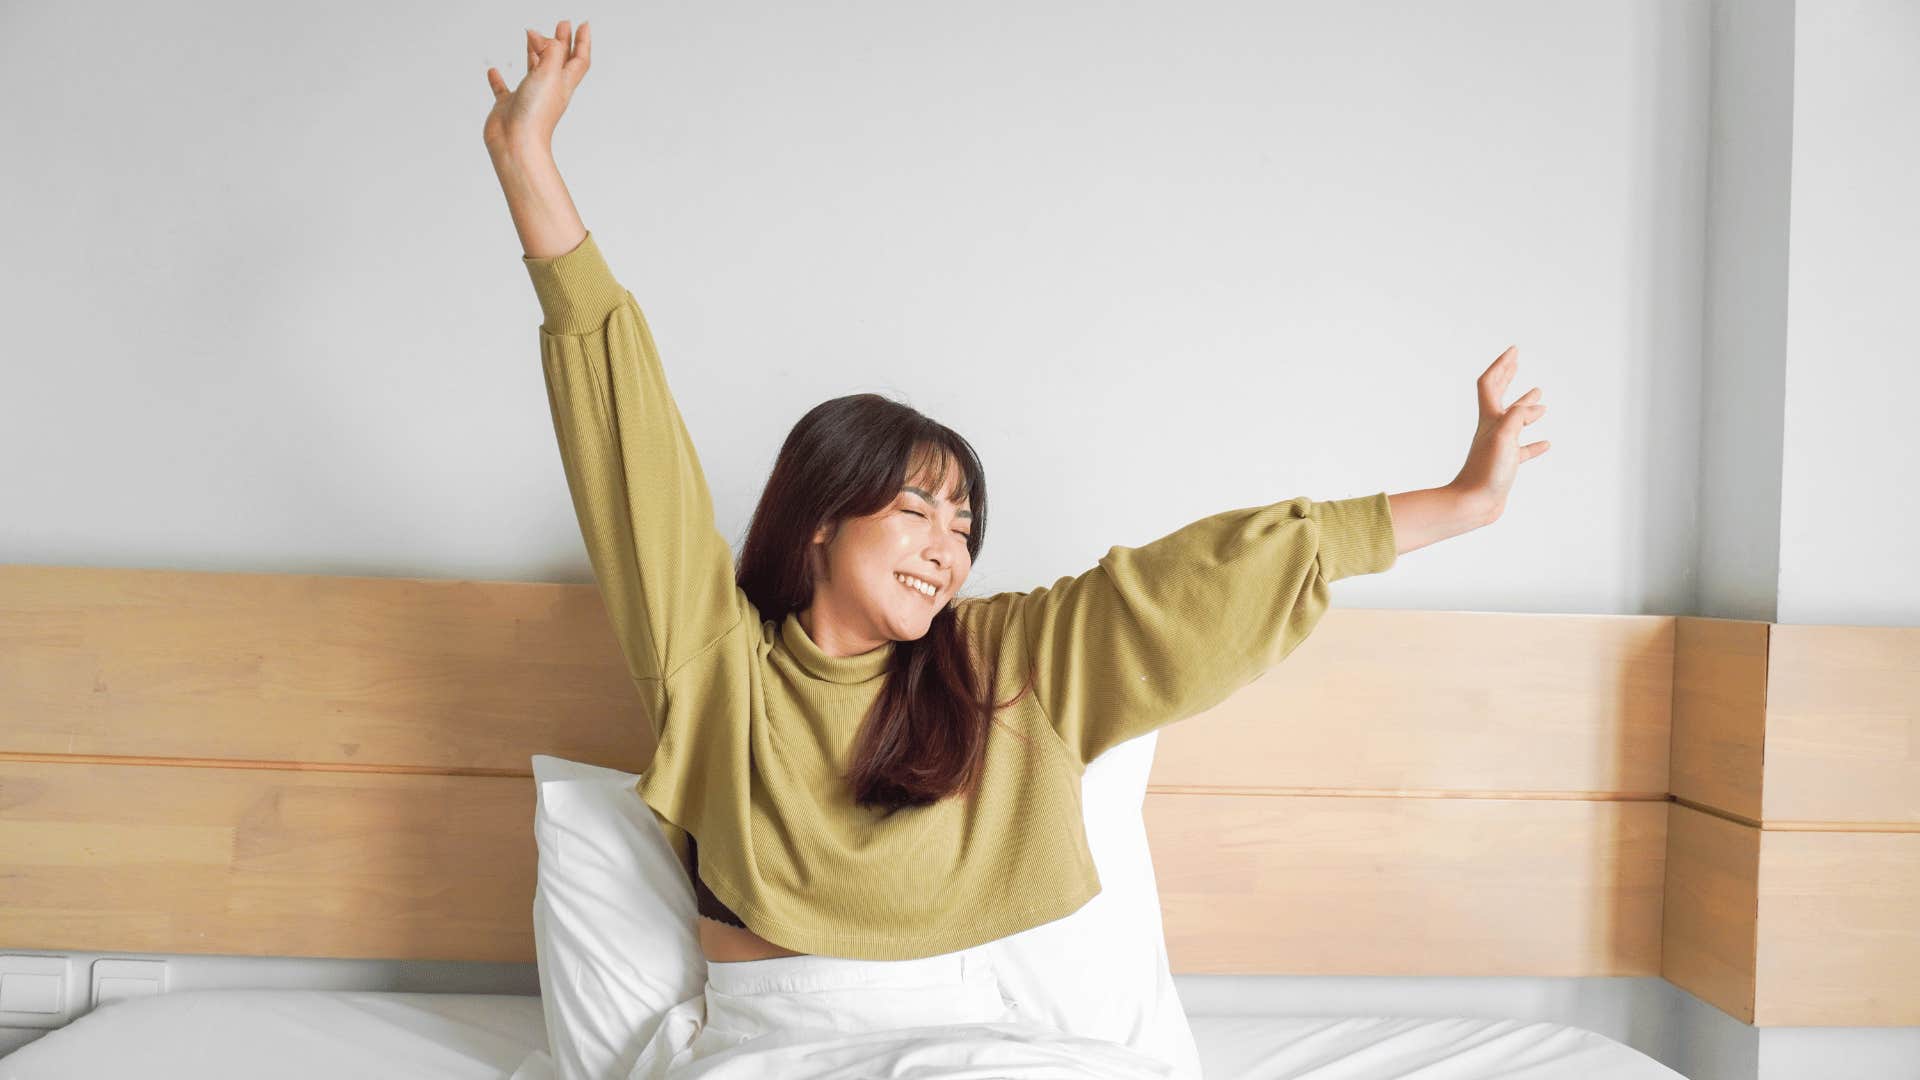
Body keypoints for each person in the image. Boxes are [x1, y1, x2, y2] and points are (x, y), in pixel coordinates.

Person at [484, 18, 1550, 1070]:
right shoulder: (720, 673)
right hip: (783, 1046)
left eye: (963, 525)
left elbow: (1198, 588)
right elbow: (630, 452)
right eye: (915, 509)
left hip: (984, 1043)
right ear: (820, 517)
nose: (947, 548)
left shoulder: (996, 664)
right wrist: (527, 156)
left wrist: (1459, 503)